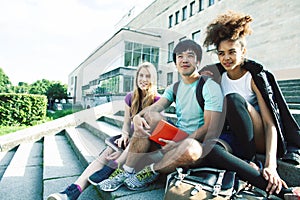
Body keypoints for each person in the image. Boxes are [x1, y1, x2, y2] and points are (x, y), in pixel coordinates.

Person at [98, 39, 225, 191]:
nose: (184, 59)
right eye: (180, 56)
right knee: (151, 116)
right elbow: (156, 107)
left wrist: (179, 144)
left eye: (190, 55)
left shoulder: (209, 86)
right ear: (176, 62)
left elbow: (209, 127)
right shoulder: (175, 87)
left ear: (198, 61)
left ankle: (150, 171)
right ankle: (126, 171)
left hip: (198, 144)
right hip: (176, 137)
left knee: (189, 147)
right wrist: (138, 117)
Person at [201, 10, 300, 199]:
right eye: (221, 53)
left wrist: (271, 165)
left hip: (259, 136)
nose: (226, 58)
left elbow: (270, 124)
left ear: (243, 52)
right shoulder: (218, 78)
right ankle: (282, 192)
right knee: (210, 149)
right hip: (236, 135)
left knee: (233, 100)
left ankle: (251, 161)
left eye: (232, 52)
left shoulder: (252, 77)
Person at [47, 62, 161, 200]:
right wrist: (124, 134)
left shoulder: (158, 100)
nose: (143, 79)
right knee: (106, 153)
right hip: (130, 140)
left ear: (153, 79)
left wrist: (126, 147)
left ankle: (114, 165)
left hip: (143, 147)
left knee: (126, 144)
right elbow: (126, 123)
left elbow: (150, 133)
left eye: (148, 76)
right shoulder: (131, 97)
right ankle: (72, 192)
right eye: (141, 75)